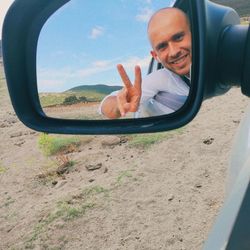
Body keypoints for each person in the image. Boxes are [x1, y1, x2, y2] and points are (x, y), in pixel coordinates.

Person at [100, 7, 192, 119]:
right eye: (162, 47)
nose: (173, 52)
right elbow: (106, 106)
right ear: (155, 56)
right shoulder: (162, 78)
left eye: (178, 37)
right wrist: (120, 105)